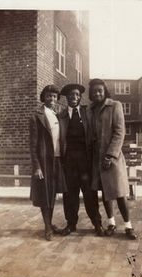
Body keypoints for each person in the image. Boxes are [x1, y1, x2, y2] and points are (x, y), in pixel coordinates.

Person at [86, 78, 138, 240]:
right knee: (105, 193)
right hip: (97, 160)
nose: (97, 93)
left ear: (105, 91)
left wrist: (110, 155)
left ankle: (128, 226)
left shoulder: (115, 105)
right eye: (94, 91)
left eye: (100, 90)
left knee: (119, 192)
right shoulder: (90, 109)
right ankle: (111, 223)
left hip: (113, 159)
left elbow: (119, 132)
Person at [58, 83, 104, 237]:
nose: (74, 97)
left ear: (80, 97)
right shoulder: (62, 116)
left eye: (77, 95)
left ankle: (97, 223)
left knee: (89, 193)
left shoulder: (87, 113)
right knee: (70, 194)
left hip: (85, 159)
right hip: (69, 159)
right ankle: (71, 224)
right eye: (71, 95)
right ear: (66, 97)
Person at [29, 85, 66, 241]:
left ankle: (50, 225)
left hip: (57, 160)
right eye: (49, 96)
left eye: (54, 96)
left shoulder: (58, 115)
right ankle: (47, 228)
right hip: (44, 161)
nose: (52, 99)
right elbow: (33, 145)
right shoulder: (37, 116)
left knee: (52, 194)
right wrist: (37, 166)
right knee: (45, 194)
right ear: (43, 98)